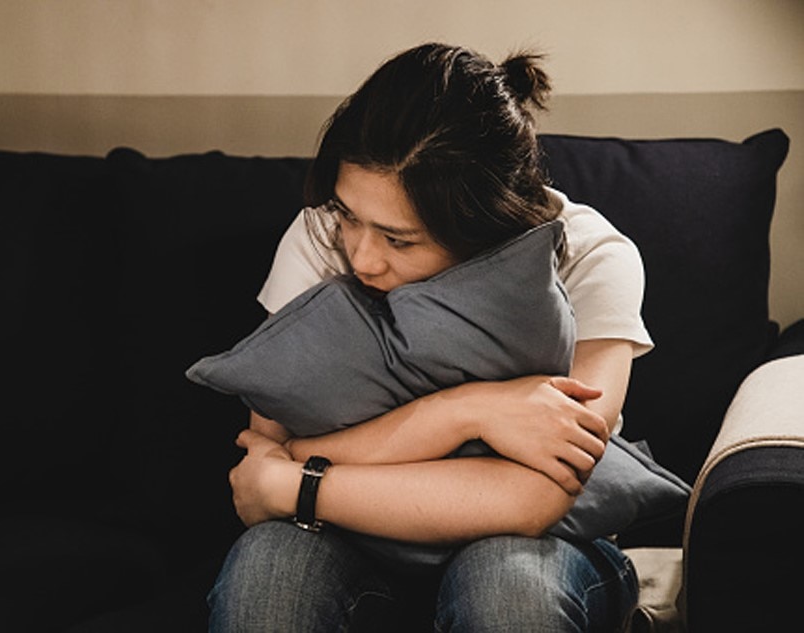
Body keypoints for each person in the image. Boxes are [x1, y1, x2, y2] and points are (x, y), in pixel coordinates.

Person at [207, 42, 653, 632]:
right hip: (353, 541)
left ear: (485, 222)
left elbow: (536, 496)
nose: (362, 258)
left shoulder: (589, 255)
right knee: (266, 578)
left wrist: (301, 480)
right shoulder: (319, 235)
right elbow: (260, 462)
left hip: (542, 542)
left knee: (508, 592)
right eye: (349, 215)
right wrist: (472, 413)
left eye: (400, 240)